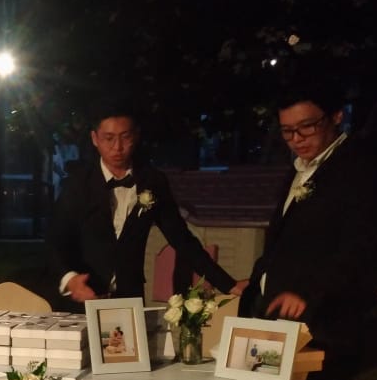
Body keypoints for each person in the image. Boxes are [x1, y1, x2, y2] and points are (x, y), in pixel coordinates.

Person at [239, 77, 377, 380]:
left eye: (307, 127)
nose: (297, 139)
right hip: (277, 321)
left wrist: (311, 293)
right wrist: (256, 280)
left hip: (323, 325)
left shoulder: (356, 170)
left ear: (335, 117)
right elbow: (285, 242)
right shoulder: (298, 170)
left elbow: (360, 249)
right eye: (287, 131)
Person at [45, 100, 244, 308]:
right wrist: (70, 279)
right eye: (109, 138)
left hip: (128, 298)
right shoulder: (78, 183)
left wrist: (228, 284)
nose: (117, 147)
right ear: (95, 139)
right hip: (83, 298)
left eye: (125, 137)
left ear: (136, 135)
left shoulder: (152, 181)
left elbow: (182, 239)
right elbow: (54, 240)